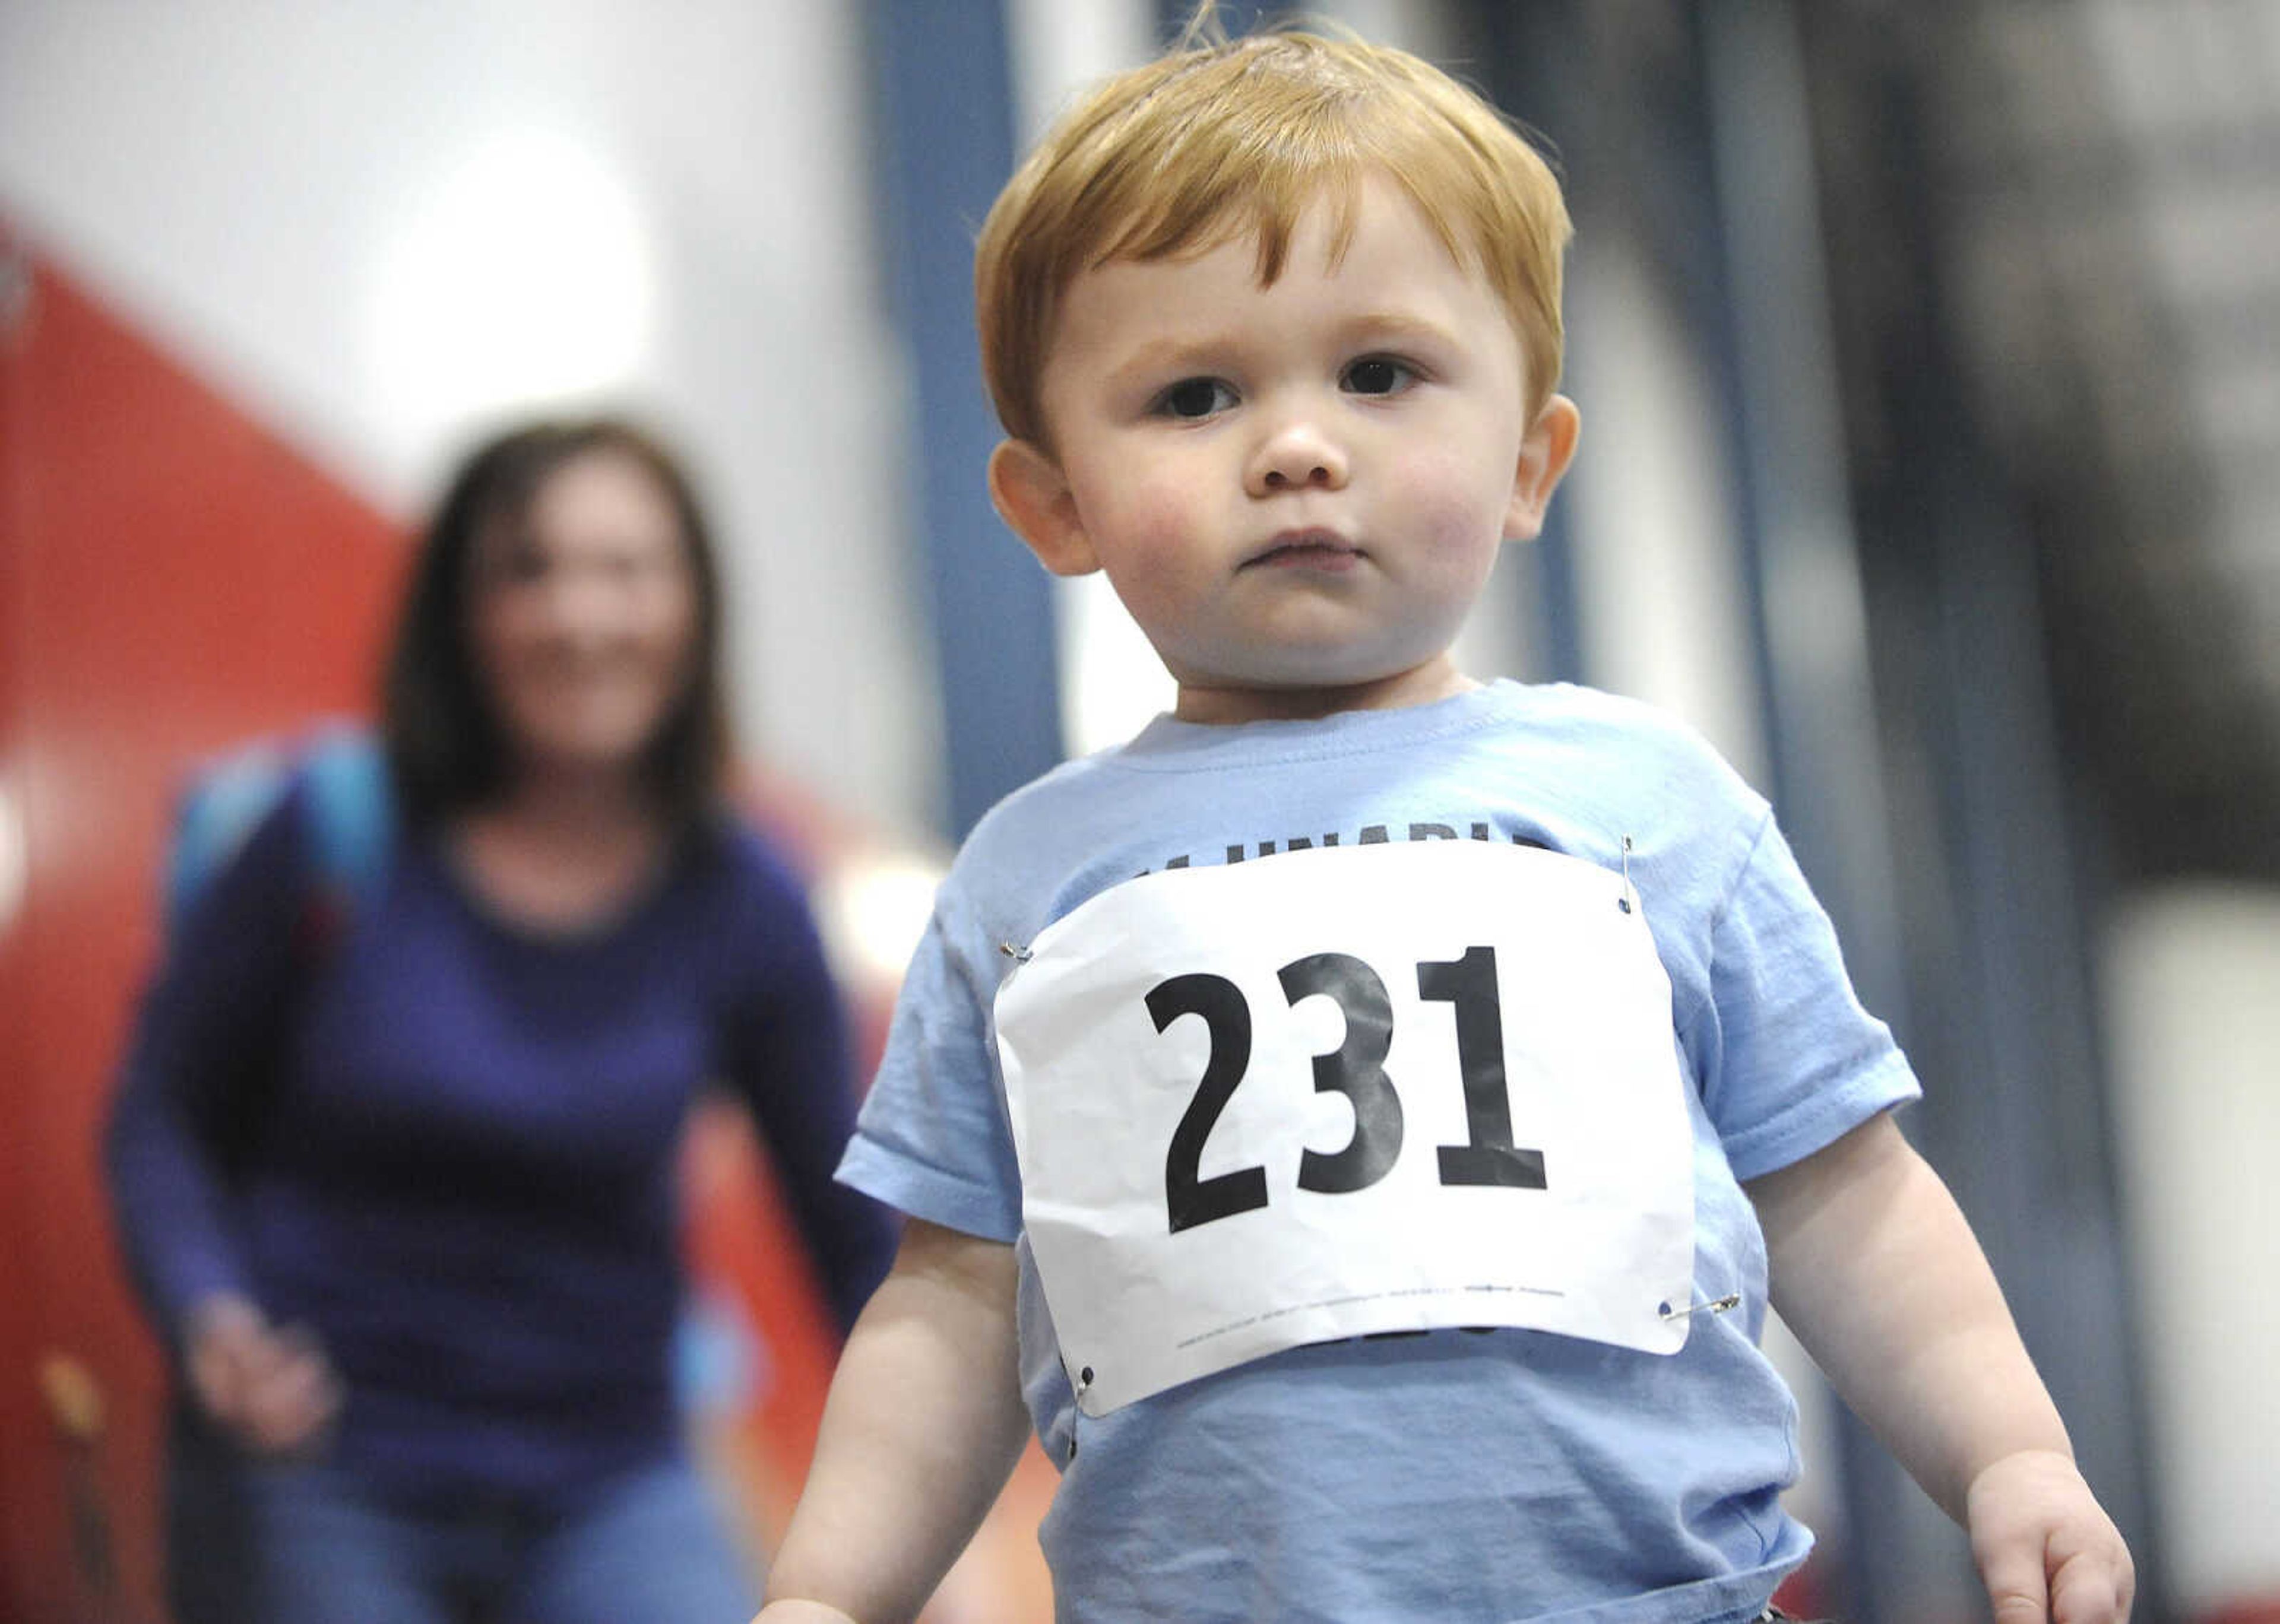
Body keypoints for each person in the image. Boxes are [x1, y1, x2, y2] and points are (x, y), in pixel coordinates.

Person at [753, 18, 2137, 1624]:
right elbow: (954, 1292)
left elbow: (1843, 1189)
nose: (1296, 446)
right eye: (1193, 395)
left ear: (1531, 458)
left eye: (1381, 374)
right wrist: (828, 1594)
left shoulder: (1647, 812)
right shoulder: (1029, 880)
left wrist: (2011, 1456)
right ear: (1052, 502)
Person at [106, 417, 896, 1623]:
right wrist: (209, 1311)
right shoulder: (328, 832)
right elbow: (160, 1117)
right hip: (325, 1465)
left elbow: (852, 1234)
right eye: (530, 569)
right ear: (463, 614)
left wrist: (918, 1509)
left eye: (627, 569)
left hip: (615, 1480)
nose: (581, 617)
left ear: (693, 608)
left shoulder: (746, 898)